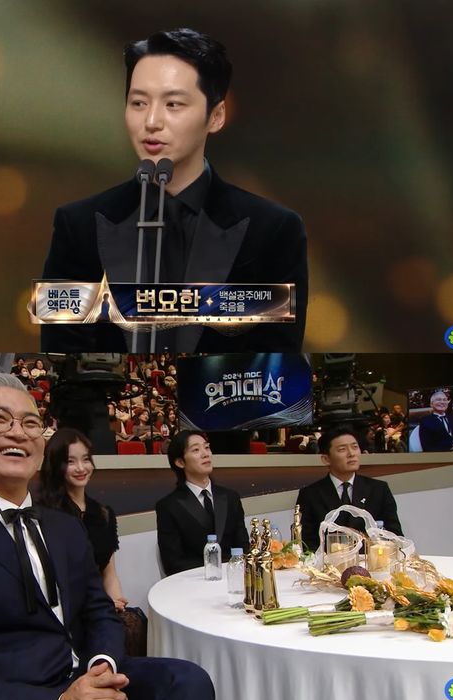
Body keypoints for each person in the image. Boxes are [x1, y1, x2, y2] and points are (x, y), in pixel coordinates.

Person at [0, 373, 214, 700]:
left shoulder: (66, 527)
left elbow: (99, 610)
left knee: (188, 680)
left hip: (87, 673)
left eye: (30, 423)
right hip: (21, 695)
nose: (18, 432)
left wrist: (102, 665)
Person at [41, 27, 307, 353]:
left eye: (173, 104)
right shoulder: (77, 225)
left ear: (216, 116)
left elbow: (276, 353)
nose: (152, 121)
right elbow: (61, 347)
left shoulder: (273, 230)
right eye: (138, 103)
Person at [37, 428, 127, 612]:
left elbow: (109, 575)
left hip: (100, 607)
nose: (81, 468)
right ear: (56, 465)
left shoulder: (103, 514)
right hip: (64, 610)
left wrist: (116, 602)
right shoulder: (44, 514)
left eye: (86, 459)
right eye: (70, 461)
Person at [156, 430, 249, 575]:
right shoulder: (169, 506)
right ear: (180, 462)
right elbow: (173, 563)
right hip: (194, 581)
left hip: (233, 577)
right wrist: (213, 571)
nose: (205, 454)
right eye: (196, 450)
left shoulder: (231, 497)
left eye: (207, 447)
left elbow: (243, 547)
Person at [296, 426, 403, 551]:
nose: (351, 454)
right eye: (342, 449)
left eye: (355, 447)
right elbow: (305, 544)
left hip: (372, 561)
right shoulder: (310, 494)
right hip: (328, 562)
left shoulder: (379, 489)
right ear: (326, 459)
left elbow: (395, 536)